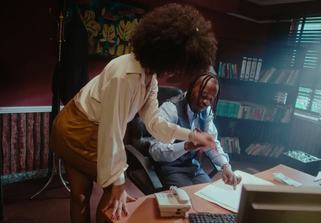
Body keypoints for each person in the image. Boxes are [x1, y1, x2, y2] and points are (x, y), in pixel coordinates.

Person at [49, 3, 218, 223]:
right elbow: (113, 131)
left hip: (94, 128)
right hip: (75, 129)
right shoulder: (125, 75)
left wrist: (191, 135)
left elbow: (154, 123)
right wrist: (118, 181)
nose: (176, 70)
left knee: (84, 194)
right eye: (176, 63)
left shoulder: (151, 78)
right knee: (104, 191)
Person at [149, 71, 242, 190]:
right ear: (192, 87)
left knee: (211, 195)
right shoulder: (170, 108)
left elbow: (212, 142)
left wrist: (225, 166)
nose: (206, 102)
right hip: (170, 168)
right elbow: (155, 151)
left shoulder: (206, 110)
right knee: (192, 201)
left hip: (193, 167)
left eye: (211, 99)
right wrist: (186, 146)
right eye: (203, 96)